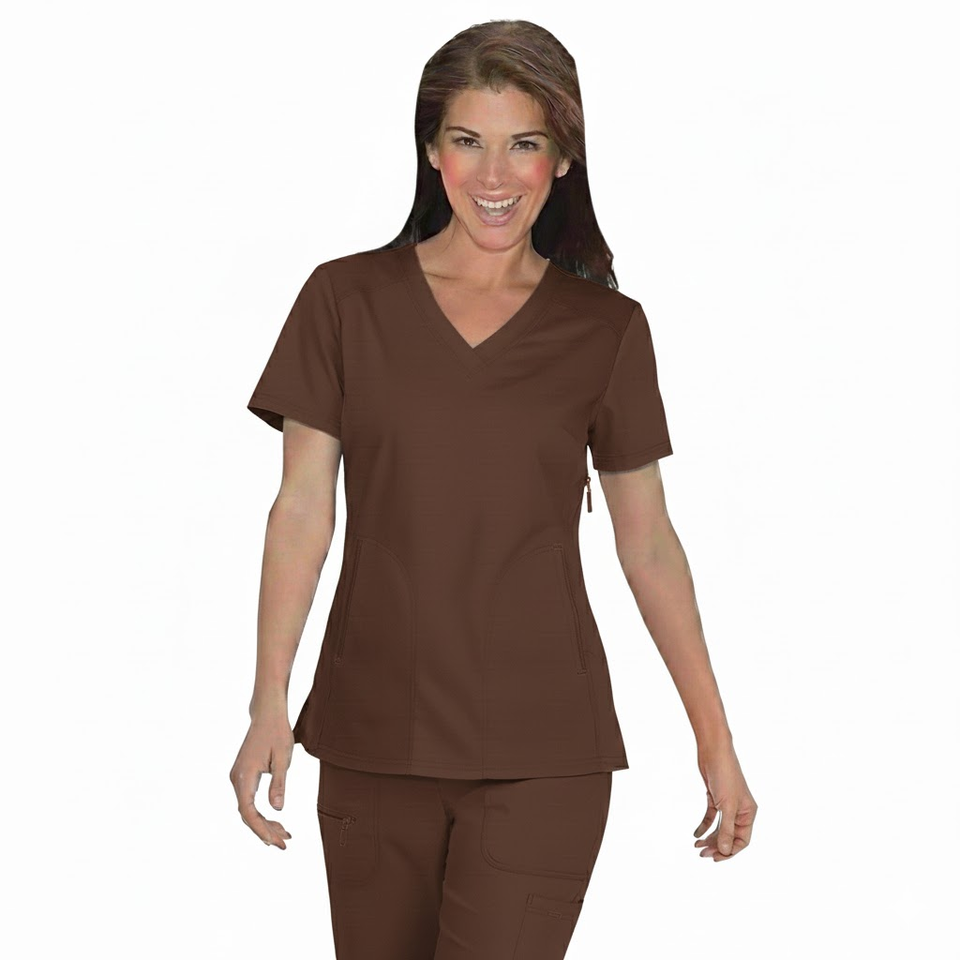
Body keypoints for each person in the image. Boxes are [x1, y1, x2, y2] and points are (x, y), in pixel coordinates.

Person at [230, 18, 757, 960]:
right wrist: (268, 699)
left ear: (563, 159)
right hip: (369, 737)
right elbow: (302, 509)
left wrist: (713, 737)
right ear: (432, 151)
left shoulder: (605, 330)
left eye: (525, 144)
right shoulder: (343, 301)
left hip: (544, 749)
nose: (494, 175)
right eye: (468, 141)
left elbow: (648, 543)